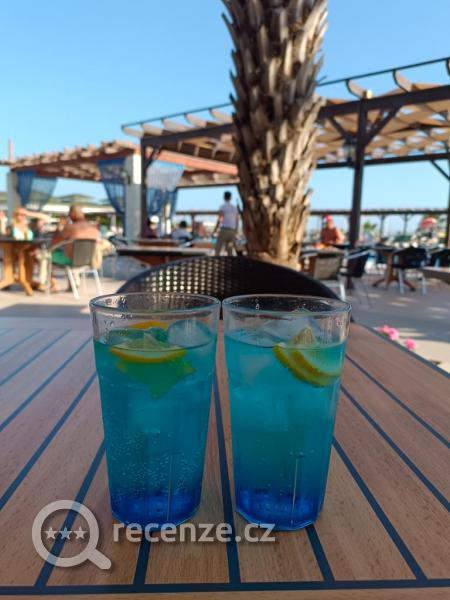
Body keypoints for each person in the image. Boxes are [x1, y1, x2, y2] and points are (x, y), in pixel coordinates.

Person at [47, 204, 100, 292]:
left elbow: (54, 242)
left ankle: (54, 284)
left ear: (72, 214)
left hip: (72, 261)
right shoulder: (93, 228)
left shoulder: (71, 228)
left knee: (46, 256)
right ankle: (71, 285)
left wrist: (60, 226)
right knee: (70, 253)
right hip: (89, 260)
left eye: (69, 214)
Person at [214, 191, 239, 256]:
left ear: (224, 197)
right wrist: (236, 230)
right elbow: (237, 220)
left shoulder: (222, 206)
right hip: (232, 230)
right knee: (230, 250)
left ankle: (216, 261)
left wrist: (215, 229)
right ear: (230, 198)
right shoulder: (234, 208)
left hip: (224, 229)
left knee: (218, 249)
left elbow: (220, 218)